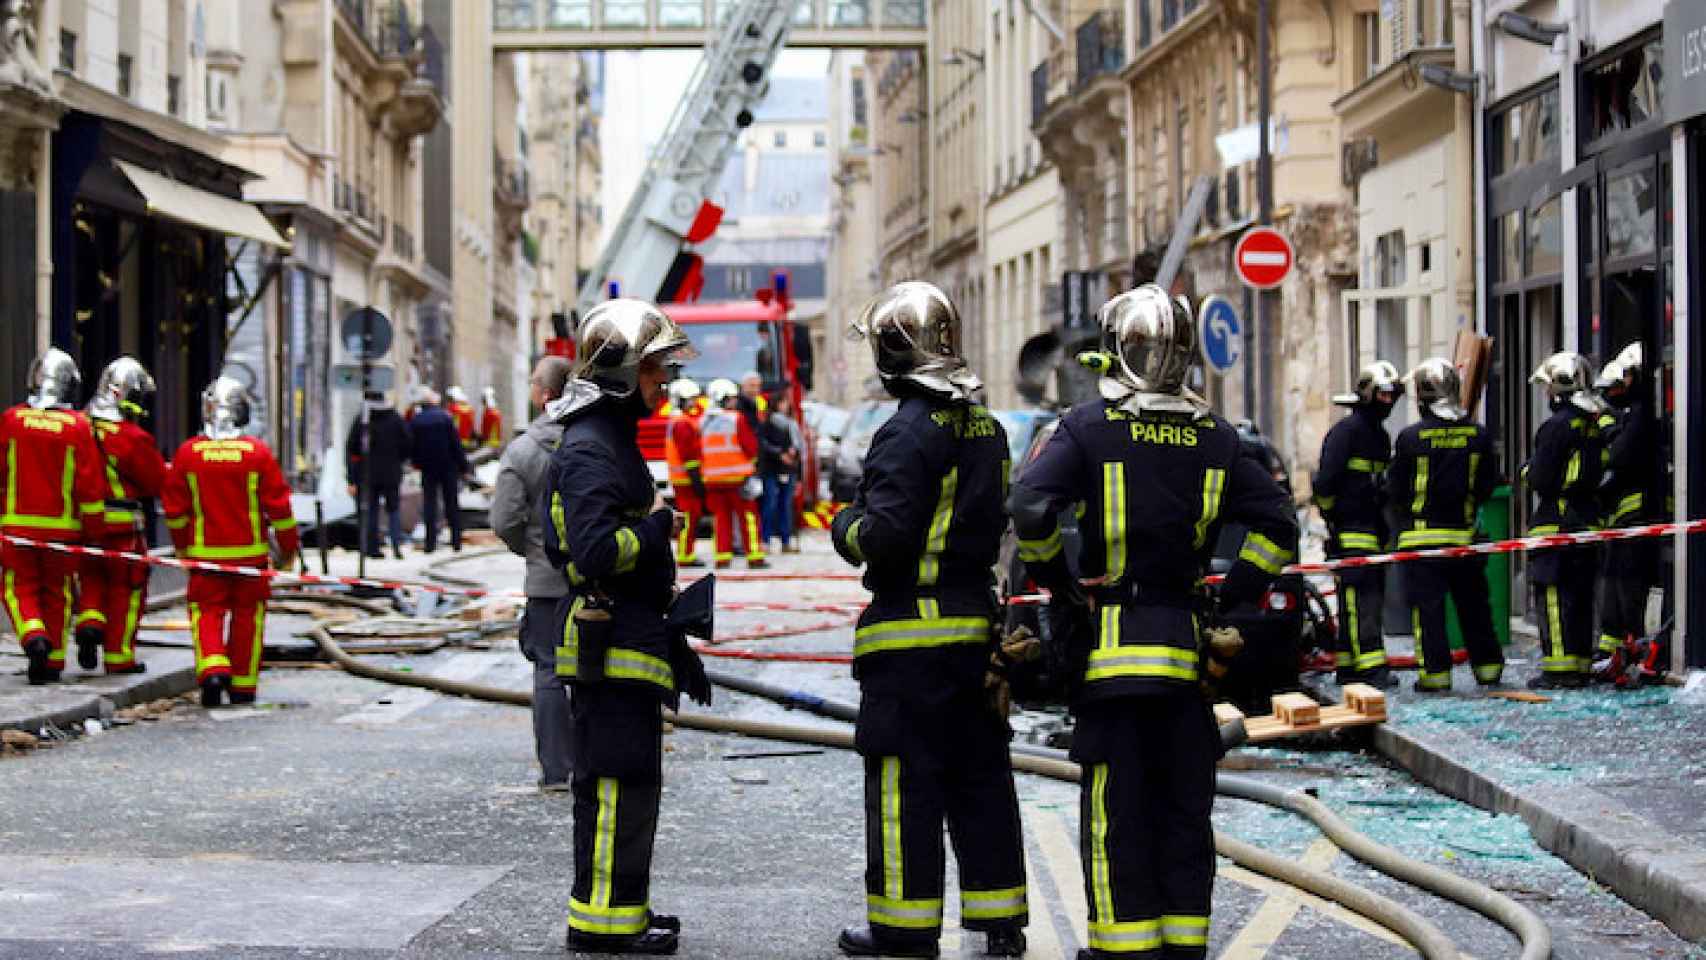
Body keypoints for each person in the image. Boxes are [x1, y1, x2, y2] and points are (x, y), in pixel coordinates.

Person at [1009, 285, 1298, 960]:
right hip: (1187, 662)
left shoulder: (1087, 427)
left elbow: (1029, 509)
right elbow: (1278, 525)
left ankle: (1121, 951)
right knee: (1183, 816)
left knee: (1118, 821)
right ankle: (1182, 950)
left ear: (1114, 352)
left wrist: (1060, 587)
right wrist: (1234, 599)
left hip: (1113, 661)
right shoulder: (1217, 435)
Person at [829, 282, 1028, 959]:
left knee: (903, 783)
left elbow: (882, 537)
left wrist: (844, 525)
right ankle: (1000, 920)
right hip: (974, 629)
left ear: (893, 352)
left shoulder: (905, 430)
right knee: (980, 778)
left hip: (908, 636)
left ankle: (902, 927)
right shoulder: (986, 426)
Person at [542, 299, 704, 955]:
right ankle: (603, 923)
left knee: (632, 782)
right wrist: (656, 527)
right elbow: (594, 553)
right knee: (613, 784)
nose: (662, 384)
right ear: (618, 371)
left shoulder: (607, 439)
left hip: (631, 638)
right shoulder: (589, 448)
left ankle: (623, 908)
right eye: (653, 370)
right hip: (609, 644)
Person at [162, 377, 298, 707]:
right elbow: (280, 509)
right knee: (248, 619)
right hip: (249, 558)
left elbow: (176, 512)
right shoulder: (257, 454)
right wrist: (287, 550)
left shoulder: (188, 454)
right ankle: (242, 685)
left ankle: (212, 668)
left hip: (205, 556)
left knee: (207, 613)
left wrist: (182, 546)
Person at [1386, 359, 1504, 693]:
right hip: (1464, 539)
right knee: (1475, 607)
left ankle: (1435, 676)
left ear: (1423, 395)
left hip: (1422, 540)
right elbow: (1487, 485)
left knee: (1429, 611)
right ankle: (1489, 669)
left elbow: (1396, 489)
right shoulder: (1478, 435)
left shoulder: (1410, 438)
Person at [490, 356, 577, 791]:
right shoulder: (595, 441)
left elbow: (505, 518)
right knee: (597, 670)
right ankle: (595, 761)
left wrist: (533, 550)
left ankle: (557, 770)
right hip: (599, 577)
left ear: (543, 394)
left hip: (547, 582)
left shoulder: (523, 451)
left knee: (549, 670)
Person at [0, 348, 107, 685]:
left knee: (18, 589)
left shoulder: (13, 420)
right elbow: (89, 485)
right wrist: (94, 529)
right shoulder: (77, 427)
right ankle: (55, 660)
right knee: (57, 592)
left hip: (18, 527)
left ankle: (33, 637)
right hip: (63, 530)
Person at [72, 357, 166, 675]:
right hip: (124, 526)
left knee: (91, 581)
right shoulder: (132, 438)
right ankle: (118, 656)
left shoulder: (78, 428)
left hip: (85, 524)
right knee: (126, 591)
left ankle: (89, 622)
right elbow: (155, 482)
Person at [1313, 361, 1403, 689]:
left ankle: (1350, 666)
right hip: (1351, 530)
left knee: (1366, 600)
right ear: (1367, 395)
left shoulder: (1379, 436)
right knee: (1359, 601)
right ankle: (1367, 668)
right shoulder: (1346, 433)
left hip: (1372, 529)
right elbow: (1324, 485)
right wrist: (1335, 519)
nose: (1389, 402)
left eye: (1392, 396)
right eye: (1383, 395)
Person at [1524, 352, 1606, 690]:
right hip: (1588, 522)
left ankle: (1559, 670)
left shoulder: (1555, 427)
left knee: (1554, 597)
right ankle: (1582, 663)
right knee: (1581, 597)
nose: (1547, 395)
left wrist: (1528, 471)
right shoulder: (1594, 423)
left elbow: (1541, 478)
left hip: (1556, 523)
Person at [1594, 342, 1662, 674]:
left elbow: (1620, 456)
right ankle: (1617, 649)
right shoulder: (1631, 412)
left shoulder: (1640, 413)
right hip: (1621, 518)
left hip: (1637, 516)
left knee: (1629, 588)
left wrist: (1608, 432)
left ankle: (1633, 648)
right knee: (1614, 585)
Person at [700, 378, 767, 569]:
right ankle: (754, 556)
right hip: (738, 479)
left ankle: (722, 557)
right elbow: (750, 447)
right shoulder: (736, 419)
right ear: (723, 399)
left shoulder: (702, 421)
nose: (734, 402)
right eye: (730, 398)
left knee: (721, 519)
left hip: (713, 480)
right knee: (748, 517)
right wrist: (753, 466)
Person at [345, 390, 412, 560]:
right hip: (391, 472)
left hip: (367, 474)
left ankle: (371, 548)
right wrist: (398, 460)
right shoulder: (395, 419)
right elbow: (408, 443)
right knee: (393, 509)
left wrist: (352, 477)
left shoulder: (363, 420)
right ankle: (396, 545)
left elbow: (352, 449)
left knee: (370, 510)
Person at [410, 388, 470, 553]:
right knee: (451, 503)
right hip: (448, 466)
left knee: (430, 504)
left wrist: (416, 462)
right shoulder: (445, 418)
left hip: (427, 468)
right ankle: (456, 541)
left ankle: (430, 543)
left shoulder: (417, 420)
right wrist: (463, 466)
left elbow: (412, 445)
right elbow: (455, 444)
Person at [663, 379, 709, 567]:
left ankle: (686, 553)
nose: (694, 403)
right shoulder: (682, 423)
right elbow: (688, 456)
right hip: (686, 480)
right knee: (689, 518)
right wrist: (697, 481)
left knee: (690, 516)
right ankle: (685, 555)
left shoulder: (678, 421)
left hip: (682, 479)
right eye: (690, 399)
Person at [758, 390, 802, 554]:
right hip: (771, 469)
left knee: (786, 505)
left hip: (788, 469)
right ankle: (765, 540)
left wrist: (793, 453)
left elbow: (798, 446)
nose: (785, 405)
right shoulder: (767, 422)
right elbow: (763, 444)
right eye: (782, 402)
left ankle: (786, 540)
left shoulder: (792, 423)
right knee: (770, 504)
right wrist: (780, 454)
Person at [446, 385, 478, 451]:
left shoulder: (452, 409)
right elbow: (471, 426)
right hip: (467, 441)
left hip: (455, 441)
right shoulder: (470, 409)